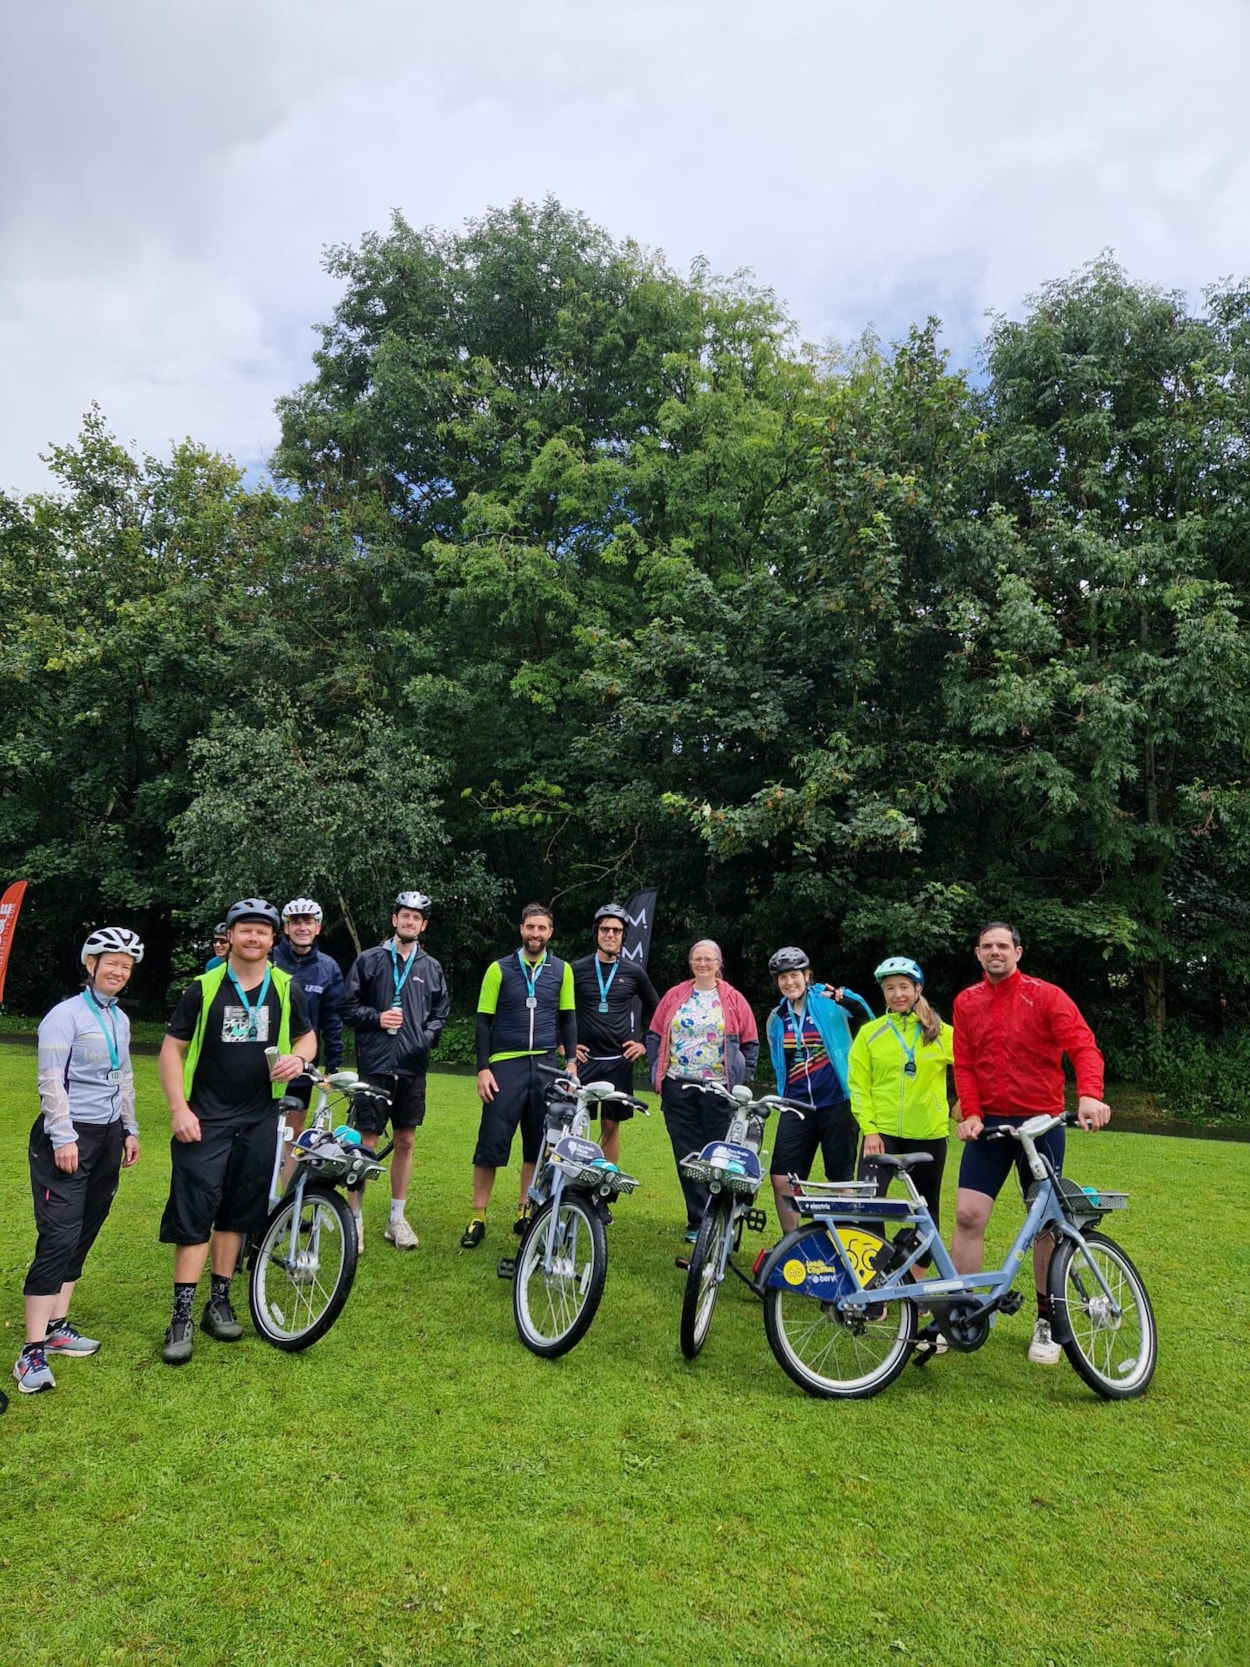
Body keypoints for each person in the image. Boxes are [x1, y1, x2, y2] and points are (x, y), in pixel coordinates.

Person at [158, 897, 315, 1365]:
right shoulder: (203, 988)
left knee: (235, 1213)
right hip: (205, 1118)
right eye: (245, 930)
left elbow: (308, 1035)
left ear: (274, 939)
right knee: (195, 1212)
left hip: (261, 1118)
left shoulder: (287, 987)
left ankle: (218, 1302)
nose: (254, 937)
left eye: (262, 931)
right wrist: (178, 1108)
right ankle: (181, 1314)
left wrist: (301, 1058)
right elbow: (171, 1050)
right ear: (229, 936)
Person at [951, 920, 1110, 1366]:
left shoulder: (1046, 995)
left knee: (1043, 1223)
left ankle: (1047, 1318)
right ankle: (961, 1310)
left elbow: (1082, 1045)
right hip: (991, 1127)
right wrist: (972, 1111)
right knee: (968, 1214)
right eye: (987, 946)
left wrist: (1091, 1093)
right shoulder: (966, 1001)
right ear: (977, 953)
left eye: (1004, 945)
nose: (995, 952)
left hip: (1041, 1124)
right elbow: (964, 1061)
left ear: (1018, 952)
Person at [13, 928, 144, 1395]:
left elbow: (123, 1076)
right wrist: (63, 1136)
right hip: (66, 1138)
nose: (118, 971)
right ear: (90, 964)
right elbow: (51, 1081)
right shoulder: (63, 1016)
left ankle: (56, 1326)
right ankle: (30, 1351)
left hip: (108, 1137)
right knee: (59, 1235)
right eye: (111, 962)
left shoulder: (121, 1020)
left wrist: (130, 1129)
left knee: (85, 1229)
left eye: (127, 967)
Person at [461, 903, 577, 1248]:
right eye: (530, 927)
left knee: (537, 1142)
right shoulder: (499, 969)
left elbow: (568, 1018)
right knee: (491, 1142)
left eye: (542, 928)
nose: (536, 934)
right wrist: (483, 1068)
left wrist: (570, 1061)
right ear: (521, 929)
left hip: (544, 1065)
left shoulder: (562, 970)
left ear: (550, 932)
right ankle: (478, 1215)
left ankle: (524, 1209)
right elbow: (483, 1021)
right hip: (505, 1064)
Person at [340, 890, 449, 1251]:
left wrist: (424, 1039)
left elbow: (440, 1013)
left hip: (412, 1067)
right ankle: (353, 1219)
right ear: (394, 920)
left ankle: (396, 1219)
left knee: (405, 1141)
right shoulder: (369, 960)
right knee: (366, 1142)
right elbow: (347, 1006)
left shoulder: (430, 967)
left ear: (424, 925)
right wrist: (376, 1017)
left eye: (416, 918)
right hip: (375, 1065)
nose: (409, 922)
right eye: (404, 916)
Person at [646, 940, 759, 1243]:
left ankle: (720, 1218)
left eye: (709, 959)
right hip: (677, 1087)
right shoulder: (675, 995)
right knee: (688, 1156)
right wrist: (654, 1067)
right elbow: (655, 1034)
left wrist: (741, 1082)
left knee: (719, 1156)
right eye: (698, 958)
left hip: (719, 1091)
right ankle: (698, 1219)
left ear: (719, 963)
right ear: (691, 962)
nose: (703, 964)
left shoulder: (734, 999)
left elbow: (750, 1044)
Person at [848, 956, 955, 1273]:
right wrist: (869, 1129)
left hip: (928, 1133)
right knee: (868, 1205)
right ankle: (872, 1278)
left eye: (904, 987)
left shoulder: (941, 1033)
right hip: (881, 1133)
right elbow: (858, 1085)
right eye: (890, 988)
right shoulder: (871, 1033)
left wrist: (964, 1103)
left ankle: (915, 1283)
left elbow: (973, 1069)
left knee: (926, 1210)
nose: (897, 994)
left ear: (918, 989)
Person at [765, 947, 872, 1233]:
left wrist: (850, 1000)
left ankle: (846, 1246)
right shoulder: (777, 1018)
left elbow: (870, 1028)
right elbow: (780, 1063)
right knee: (781, 1177)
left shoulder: (832, 1005)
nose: (789, 982)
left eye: (795, 976)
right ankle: (792, 1243)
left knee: (840, 1179)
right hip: (797, 1105)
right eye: (783, 977)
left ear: (807, 976)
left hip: (837, 1101)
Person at [571, 903, 659, 1167]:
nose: (611, 934)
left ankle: (602, 1188)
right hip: (583, 1061)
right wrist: (564, 1044)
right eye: (605, 929)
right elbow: (556, 1008)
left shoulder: (634, 972)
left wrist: (644, 1044)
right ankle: (566, 1184)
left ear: (623, 936)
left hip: (617, 1062)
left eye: (617, 930)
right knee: (573, 1120)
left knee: (610, 1126)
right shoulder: (575, 969)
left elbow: (657, 1008)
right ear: (596, 933)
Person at [273, 897, 344, 1182]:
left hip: (301, 1065)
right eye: (296, 922)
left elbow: (332, 1019)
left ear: (318, 928)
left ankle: (285, 1204)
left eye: (308, 922)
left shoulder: (328, 968)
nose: (302, 927)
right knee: (262, 1132)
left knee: (293, 1132)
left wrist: (333, 1064)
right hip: (263, 1061)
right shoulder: (269, 959)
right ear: (286, 928)